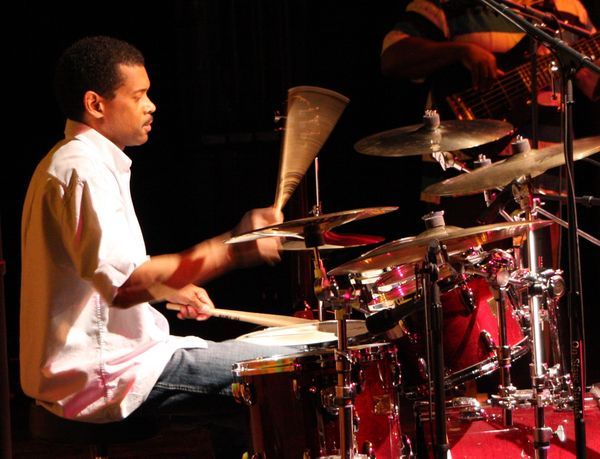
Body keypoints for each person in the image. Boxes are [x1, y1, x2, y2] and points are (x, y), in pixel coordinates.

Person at [20, 35, 295, 457]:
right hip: (104, 374)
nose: (151, 106)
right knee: (282, 373)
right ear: (96, 104)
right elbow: (126, 286)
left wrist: (172, 287)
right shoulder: (81, 169)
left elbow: (107, 272)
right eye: (139, 96)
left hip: (119, 360)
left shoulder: (80, 162)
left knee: (265, 372)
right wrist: (234, 248)